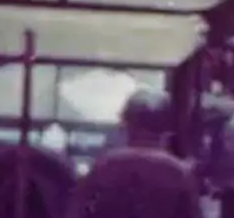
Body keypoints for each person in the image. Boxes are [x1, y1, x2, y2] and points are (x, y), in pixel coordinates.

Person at [66, 89, 204, 218]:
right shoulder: (179, 173)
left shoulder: (105, 166)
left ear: (127, 124)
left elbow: (77, 212)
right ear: (167, 128)